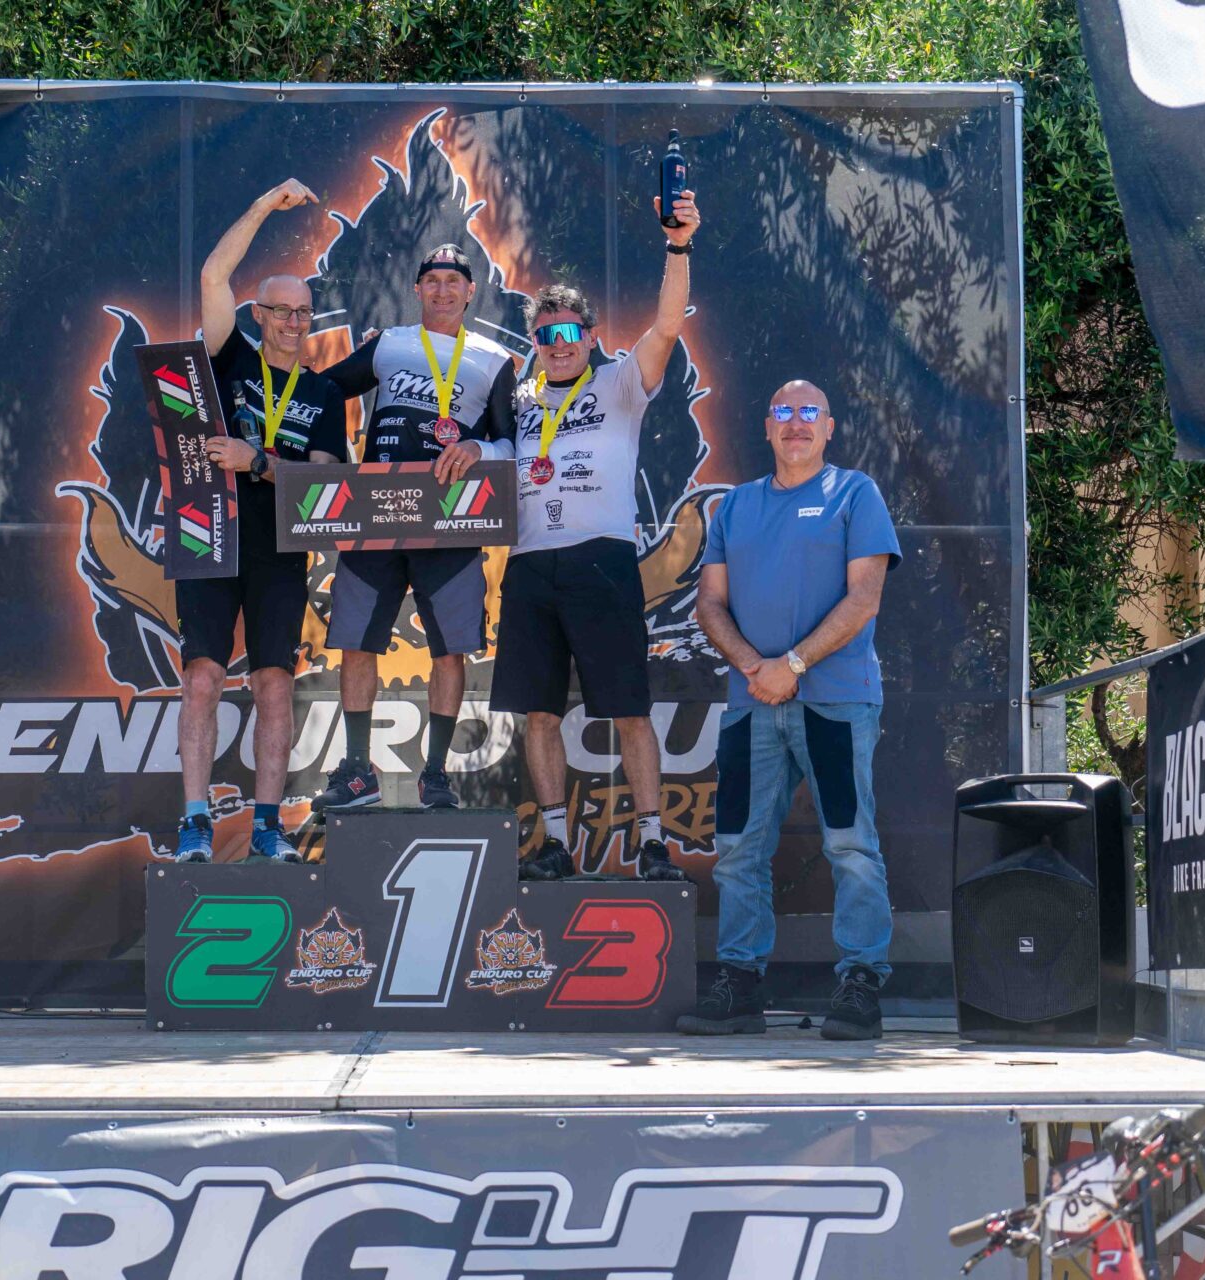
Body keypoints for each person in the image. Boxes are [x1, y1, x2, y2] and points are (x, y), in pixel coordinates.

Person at [447, 191, 701, 881]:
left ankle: (653, 844)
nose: (556, 346)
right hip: (531, 567)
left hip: (601, 562)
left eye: (568, 334)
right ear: (534, 344)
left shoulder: (620, 384)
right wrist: (474, 451)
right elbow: (504, 454)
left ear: (589, 337)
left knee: (629, 710)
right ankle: (555, 843)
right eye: (544, 336)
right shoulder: (524, 399)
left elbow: (668, 326)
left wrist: (677, 246)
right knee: (538, 713)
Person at [677, 379, 901, 1041]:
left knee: (850, 845)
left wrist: (793, 665)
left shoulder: (855, 493)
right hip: (751, 705)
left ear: (828, 427)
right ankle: (741, 985)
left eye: (809, 412)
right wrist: (756, 668)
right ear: (767, 427)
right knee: (737, 849)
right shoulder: (736, 506)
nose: (795, 422)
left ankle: (861, 984)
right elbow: (709, 604)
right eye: (783, 411)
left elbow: (865, 599)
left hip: (837, 701)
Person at [175, 179, 350, 863]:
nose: (294, 324)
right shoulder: (230, 359)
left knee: (274, 682)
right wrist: (262, 206)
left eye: (304, 314)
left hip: (280, 548)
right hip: (210, 533)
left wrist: (258, 461)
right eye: (282, 312)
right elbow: (212, 274)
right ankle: (194, 823)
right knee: (202, 677)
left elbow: (327, 483)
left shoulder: (323, 392)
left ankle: (269, 826)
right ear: (259, 314)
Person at [315, 244, 517, 810]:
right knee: (357, 643)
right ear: (417, 289)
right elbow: (322, 393)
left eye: (454, 281)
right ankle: (358, 771)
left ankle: (436, 775)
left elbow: (513, 444)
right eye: (432, 280)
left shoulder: (494, 359)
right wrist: (329, 458)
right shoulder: (389, 344)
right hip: (376, 512)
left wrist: (478, 448)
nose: (443, 290)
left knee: (449, 650)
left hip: (449, 519)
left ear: (471, 291)